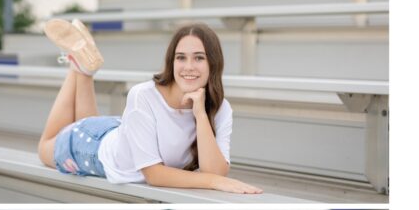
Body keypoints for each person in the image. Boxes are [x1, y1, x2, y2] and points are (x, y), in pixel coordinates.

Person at [35, 18, 259, 194]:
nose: (189, 66)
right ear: (172, 62)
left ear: (213, 62)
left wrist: (200, 114)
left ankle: (83, 66)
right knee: (44, 147)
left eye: (199, 58)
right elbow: (154, 175)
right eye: (181, 58)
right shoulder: (144, 95)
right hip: (91, 147)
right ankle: (78, 68)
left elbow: (216, 171)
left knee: (90, 123)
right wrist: (210, 181)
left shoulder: (221, 107)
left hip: (121, 132)